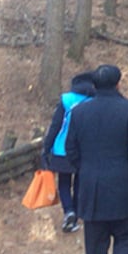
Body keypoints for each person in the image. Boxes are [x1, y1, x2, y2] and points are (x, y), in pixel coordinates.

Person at [66, 64, 128, 254]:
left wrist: (85, 169)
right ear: (118, 84)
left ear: (94, 85)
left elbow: (71, 149)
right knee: (126, 238)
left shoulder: (79, 112)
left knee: (95, 243)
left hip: (91, 186)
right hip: (124, 184)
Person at [42, 71, 95, 233]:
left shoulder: (66, 100)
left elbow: (56, 126)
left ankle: (69, 211)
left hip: (62, 148)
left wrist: (46, 147)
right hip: (85, 149)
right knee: (80, 182)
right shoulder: (94, 101)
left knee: (64, 182)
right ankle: (77, 213)